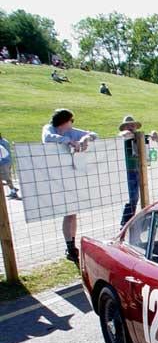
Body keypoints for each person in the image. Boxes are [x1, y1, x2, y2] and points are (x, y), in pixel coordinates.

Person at [41, 108, 98, 262]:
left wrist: (86, 138)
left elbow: (93, 134)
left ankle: (71, 246)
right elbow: (48, 138)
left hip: (69, 176)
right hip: (53, 176)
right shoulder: (49, 129)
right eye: (70, 121)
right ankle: (69, 245)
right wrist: (69, 141)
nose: (72, 124)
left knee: (72, 212)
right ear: (64, 121)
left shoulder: (71, 131)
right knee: (68, 211)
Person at [118, 115, 158, 228]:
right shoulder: (124, 138)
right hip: (129, 170)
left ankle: (133, 221)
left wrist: (153, 133)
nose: (132, 127)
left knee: (139, 196)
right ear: (124, 127)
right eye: (129, 125)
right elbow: (122, 135)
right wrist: (129, 134)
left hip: (140, 169)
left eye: (133, 125)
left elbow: (153, 137)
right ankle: (125, 222)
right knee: (132, 197)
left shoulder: (140, 137)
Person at [0, 132, 20, 199]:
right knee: (8, 178)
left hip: (3, 163)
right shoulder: (5, 141)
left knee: (7, 179)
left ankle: (14, 192)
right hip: (9, 161)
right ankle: (13, 189)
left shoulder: (1, 143)